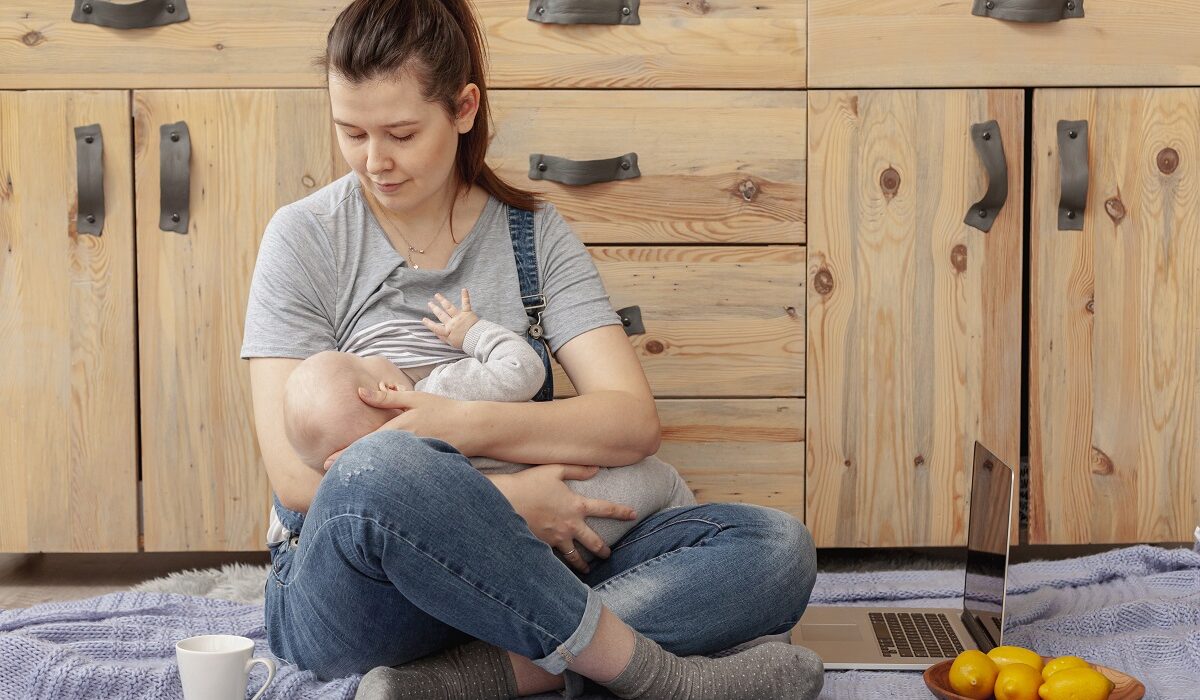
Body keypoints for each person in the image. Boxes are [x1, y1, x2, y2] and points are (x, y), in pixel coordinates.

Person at [239, 0, 822, 698]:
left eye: (400, 132)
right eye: (351, 131)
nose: (375, 161)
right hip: (367, 595)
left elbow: (631, 421)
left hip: (540, 564)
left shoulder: (532, 236)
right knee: (378, 465)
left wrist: (455, 422)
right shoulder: (306, 238)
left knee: (776, 551)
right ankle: (656, 674)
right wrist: (507, 504)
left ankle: (475, 678)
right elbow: (298, 477)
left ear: (463, 108)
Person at [282, 287, 697, 563]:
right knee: (668, 487)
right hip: (584, 504)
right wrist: (474, 334)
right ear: (387, 388)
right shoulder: (444, 386)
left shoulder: (395, 475)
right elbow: (524, 371)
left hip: (510, 555)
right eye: (361, 357)